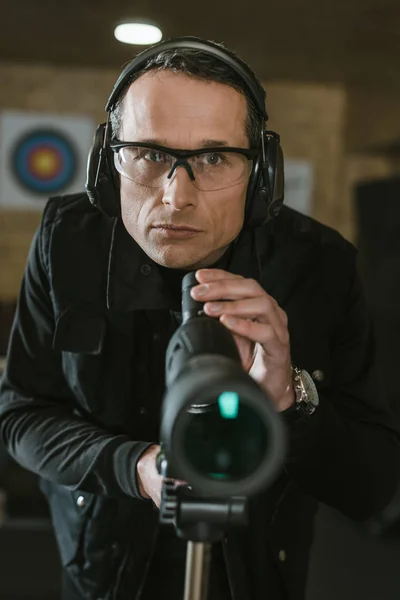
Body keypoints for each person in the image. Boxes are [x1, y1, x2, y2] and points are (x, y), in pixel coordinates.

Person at [0, 36, 399, 600]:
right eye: (150, 153)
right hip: (99, 568)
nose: (175, 195)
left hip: (256, 578)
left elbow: (370, 486)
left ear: (262, 175)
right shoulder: (66, 242)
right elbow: (18, 415)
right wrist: (133, 467)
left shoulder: (322, 267)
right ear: (107, 163)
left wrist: (292, 397)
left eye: (213, 158)